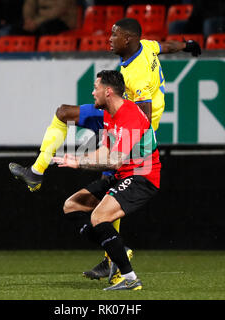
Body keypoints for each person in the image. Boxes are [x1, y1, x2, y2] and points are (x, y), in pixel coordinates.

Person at [9, 17, 201, 283]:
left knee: (109, 178)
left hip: (133, 124)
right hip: (119, 116)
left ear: (128, 39)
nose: (109, 39)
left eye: (114, 35)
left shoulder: (135, 75)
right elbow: (165, 46)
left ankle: (116, 259)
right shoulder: (145, 46)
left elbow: (140, 116)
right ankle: (36, 171)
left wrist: (123, 136)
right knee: (64, 114)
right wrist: (188, 44)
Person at [53, 70, 161, 290]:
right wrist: (77, 158)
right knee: (71, 206)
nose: (93, 93)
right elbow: (105, 151)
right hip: (124, 175)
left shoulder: (130, 115)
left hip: (142, 176)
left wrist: (79, 163)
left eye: (96, 88)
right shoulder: (109, 114)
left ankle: (130, 278)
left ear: (108, 91)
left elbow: (115, 161)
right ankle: (118, 248)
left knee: (99, 217)